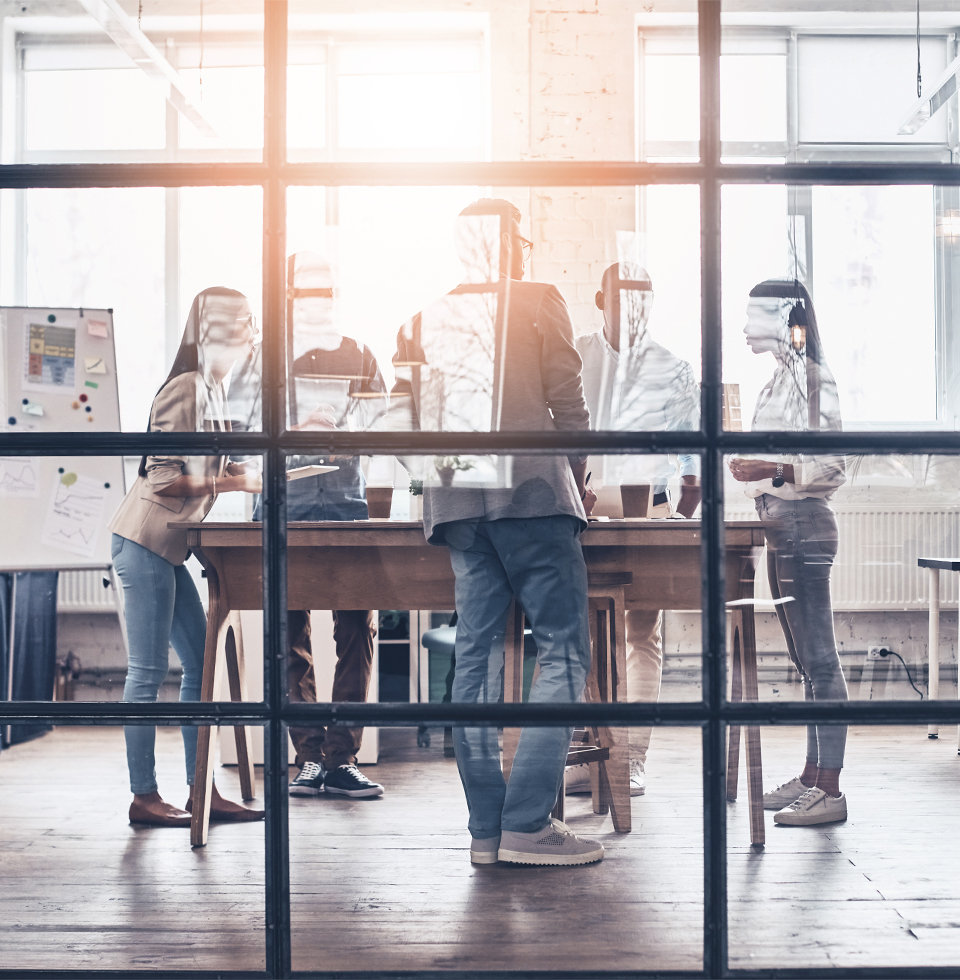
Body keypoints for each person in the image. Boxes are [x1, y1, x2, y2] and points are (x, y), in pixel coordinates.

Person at [387, 199, 603, 866]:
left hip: (457, 506)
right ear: (513, 245)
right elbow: (570, 408)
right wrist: (576, 480)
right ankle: (527, 824)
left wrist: (445, 481)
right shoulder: (540, 298)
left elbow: (400, 428)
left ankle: (487, 832)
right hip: (534, 497)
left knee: (474, 661)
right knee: (564, 650)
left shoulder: (420, 319)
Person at [107, 287, 265, 827]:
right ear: (217, 327)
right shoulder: (186, 387)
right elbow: (166, 477)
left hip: (170, 550)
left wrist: (237, 475)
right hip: (147, 541)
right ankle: (144, 797)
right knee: (147, 673)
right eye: (246, 320)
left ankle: (204, 790)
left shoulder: (216, 389)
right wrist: (236, 480)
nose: (253, 330)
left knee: (200, 664)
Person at [250, 252, 385, 799]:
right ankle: (307, 757)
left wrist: (352, 425)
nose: (317, 300)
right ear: (288, 296)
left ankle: (341, 758)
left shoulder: (359, 354)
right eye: (306, 291)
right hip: (286, 507)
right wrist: (296, 425)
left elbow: (386, 422)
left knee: (357, 629)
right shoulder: (265, 358)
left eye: (324, 290)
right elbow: (242, 425)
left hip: (348, 507)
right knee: (288, 634)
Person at [571, 262, 700, 798]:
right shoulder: (576, 354)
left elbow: (692, 458)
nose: (630, 310)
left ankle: (631, 757)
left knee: (640, 634)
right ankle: (585, 752)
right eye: (621, 299)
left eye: (641, 300)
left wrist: (677, 523)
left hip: (650, 509)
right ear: (600, 300)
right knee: (575, 631)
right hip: (581, 506)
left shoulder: (672, 367)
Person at [728, 278, 848, 827]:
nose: (746, 324)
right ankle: (810, 777)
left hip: (803, 526)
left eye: (756, 312)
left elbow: (831, 467)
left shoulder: (816, 380)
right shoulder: (778, 382)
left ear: (785, 318)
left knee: (820, 661)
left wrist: (770, 468)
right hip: (779, 527)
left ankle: (831, 790)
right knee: (806, 664)